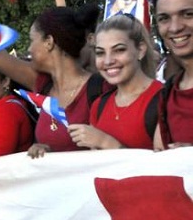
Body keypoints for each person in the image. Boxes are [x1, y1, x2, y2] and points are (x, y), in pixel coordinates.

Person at [0, 0, 109, 158]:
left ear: (49, 42)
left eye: (32, 40)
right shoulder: (44, 84)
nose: (29, 49)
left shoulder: (100, 89)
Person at [67, 14, 162, 149]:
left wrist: (106, 142)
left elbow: (167, 166)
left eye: (119, 50)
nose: (108, 61)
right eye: (100, 53)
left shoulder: (164, 99)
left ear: (140, 50)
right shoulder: (99, 105)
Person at [148, 0, 193, 149]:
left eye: (188, 14)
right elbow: (161, 162)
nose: (174, 28)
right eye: (164, 18)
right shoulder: (168, 93)